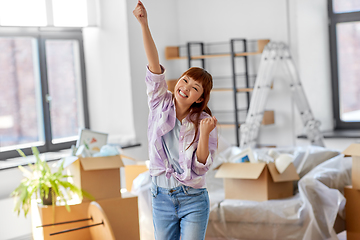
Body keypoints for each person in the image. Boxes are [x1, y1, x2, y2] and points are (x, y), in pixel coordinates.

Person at [133, 1, 218, 240]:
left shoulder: (205, 121)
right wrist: (143, 24)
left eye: (195, 88)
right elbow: (153, 65)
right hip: (160, 196)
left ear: (200, 98)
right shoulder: (159, 101)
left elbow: (201, 166)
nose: (186, 88)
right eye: (185, 80)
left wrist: (206, 134)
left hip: (193, 198)